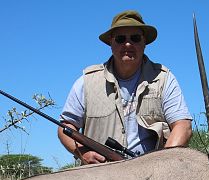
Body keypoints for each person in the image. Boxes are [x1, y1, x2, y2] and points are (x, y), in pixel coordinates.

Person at [58, 10, 192, 164]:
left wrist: (161, 167)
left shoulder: (164, 78)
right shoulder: (87, 81)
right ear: (111, 43)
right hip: (96, 175)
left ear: (144, 42)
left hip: (150, 175)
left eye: (135, 38)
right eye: (120, 39)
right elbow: (65, 127)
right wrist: (83, 152)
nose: (128, 44)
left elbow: (183, 126)